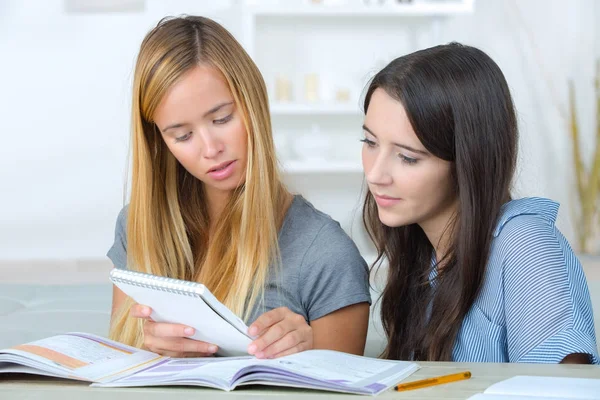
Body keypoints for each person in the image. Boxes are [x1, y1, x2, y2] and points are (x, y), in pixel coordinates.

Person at [107, 15, 371, 359]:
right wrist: (145, 346)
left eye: (222, 119)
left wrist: (311, 353)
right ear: (159, 142)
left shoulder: (327, 255)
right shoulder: (137, 228)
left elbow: (345, 386)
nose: (210, 148)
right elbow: (115, 368)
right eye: (182, 135)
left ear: (253, 102)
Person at [361, 42, 599, 364]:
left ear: (468, 161)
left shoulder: (525, 247)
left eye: (407, 157)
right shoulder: (423, 255)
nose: (375, 174)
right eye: (370, 142)